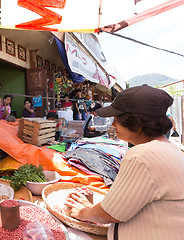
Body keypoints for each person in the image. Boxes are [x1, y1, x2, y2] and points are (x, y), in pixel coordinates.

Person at [64, 85, 184, 240]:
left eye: (117, 120)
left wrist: (83, 212)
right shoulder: (171, 149)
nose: (113, 125)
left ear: (137, 124)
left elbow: (111, 213)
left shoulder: (141, 156)